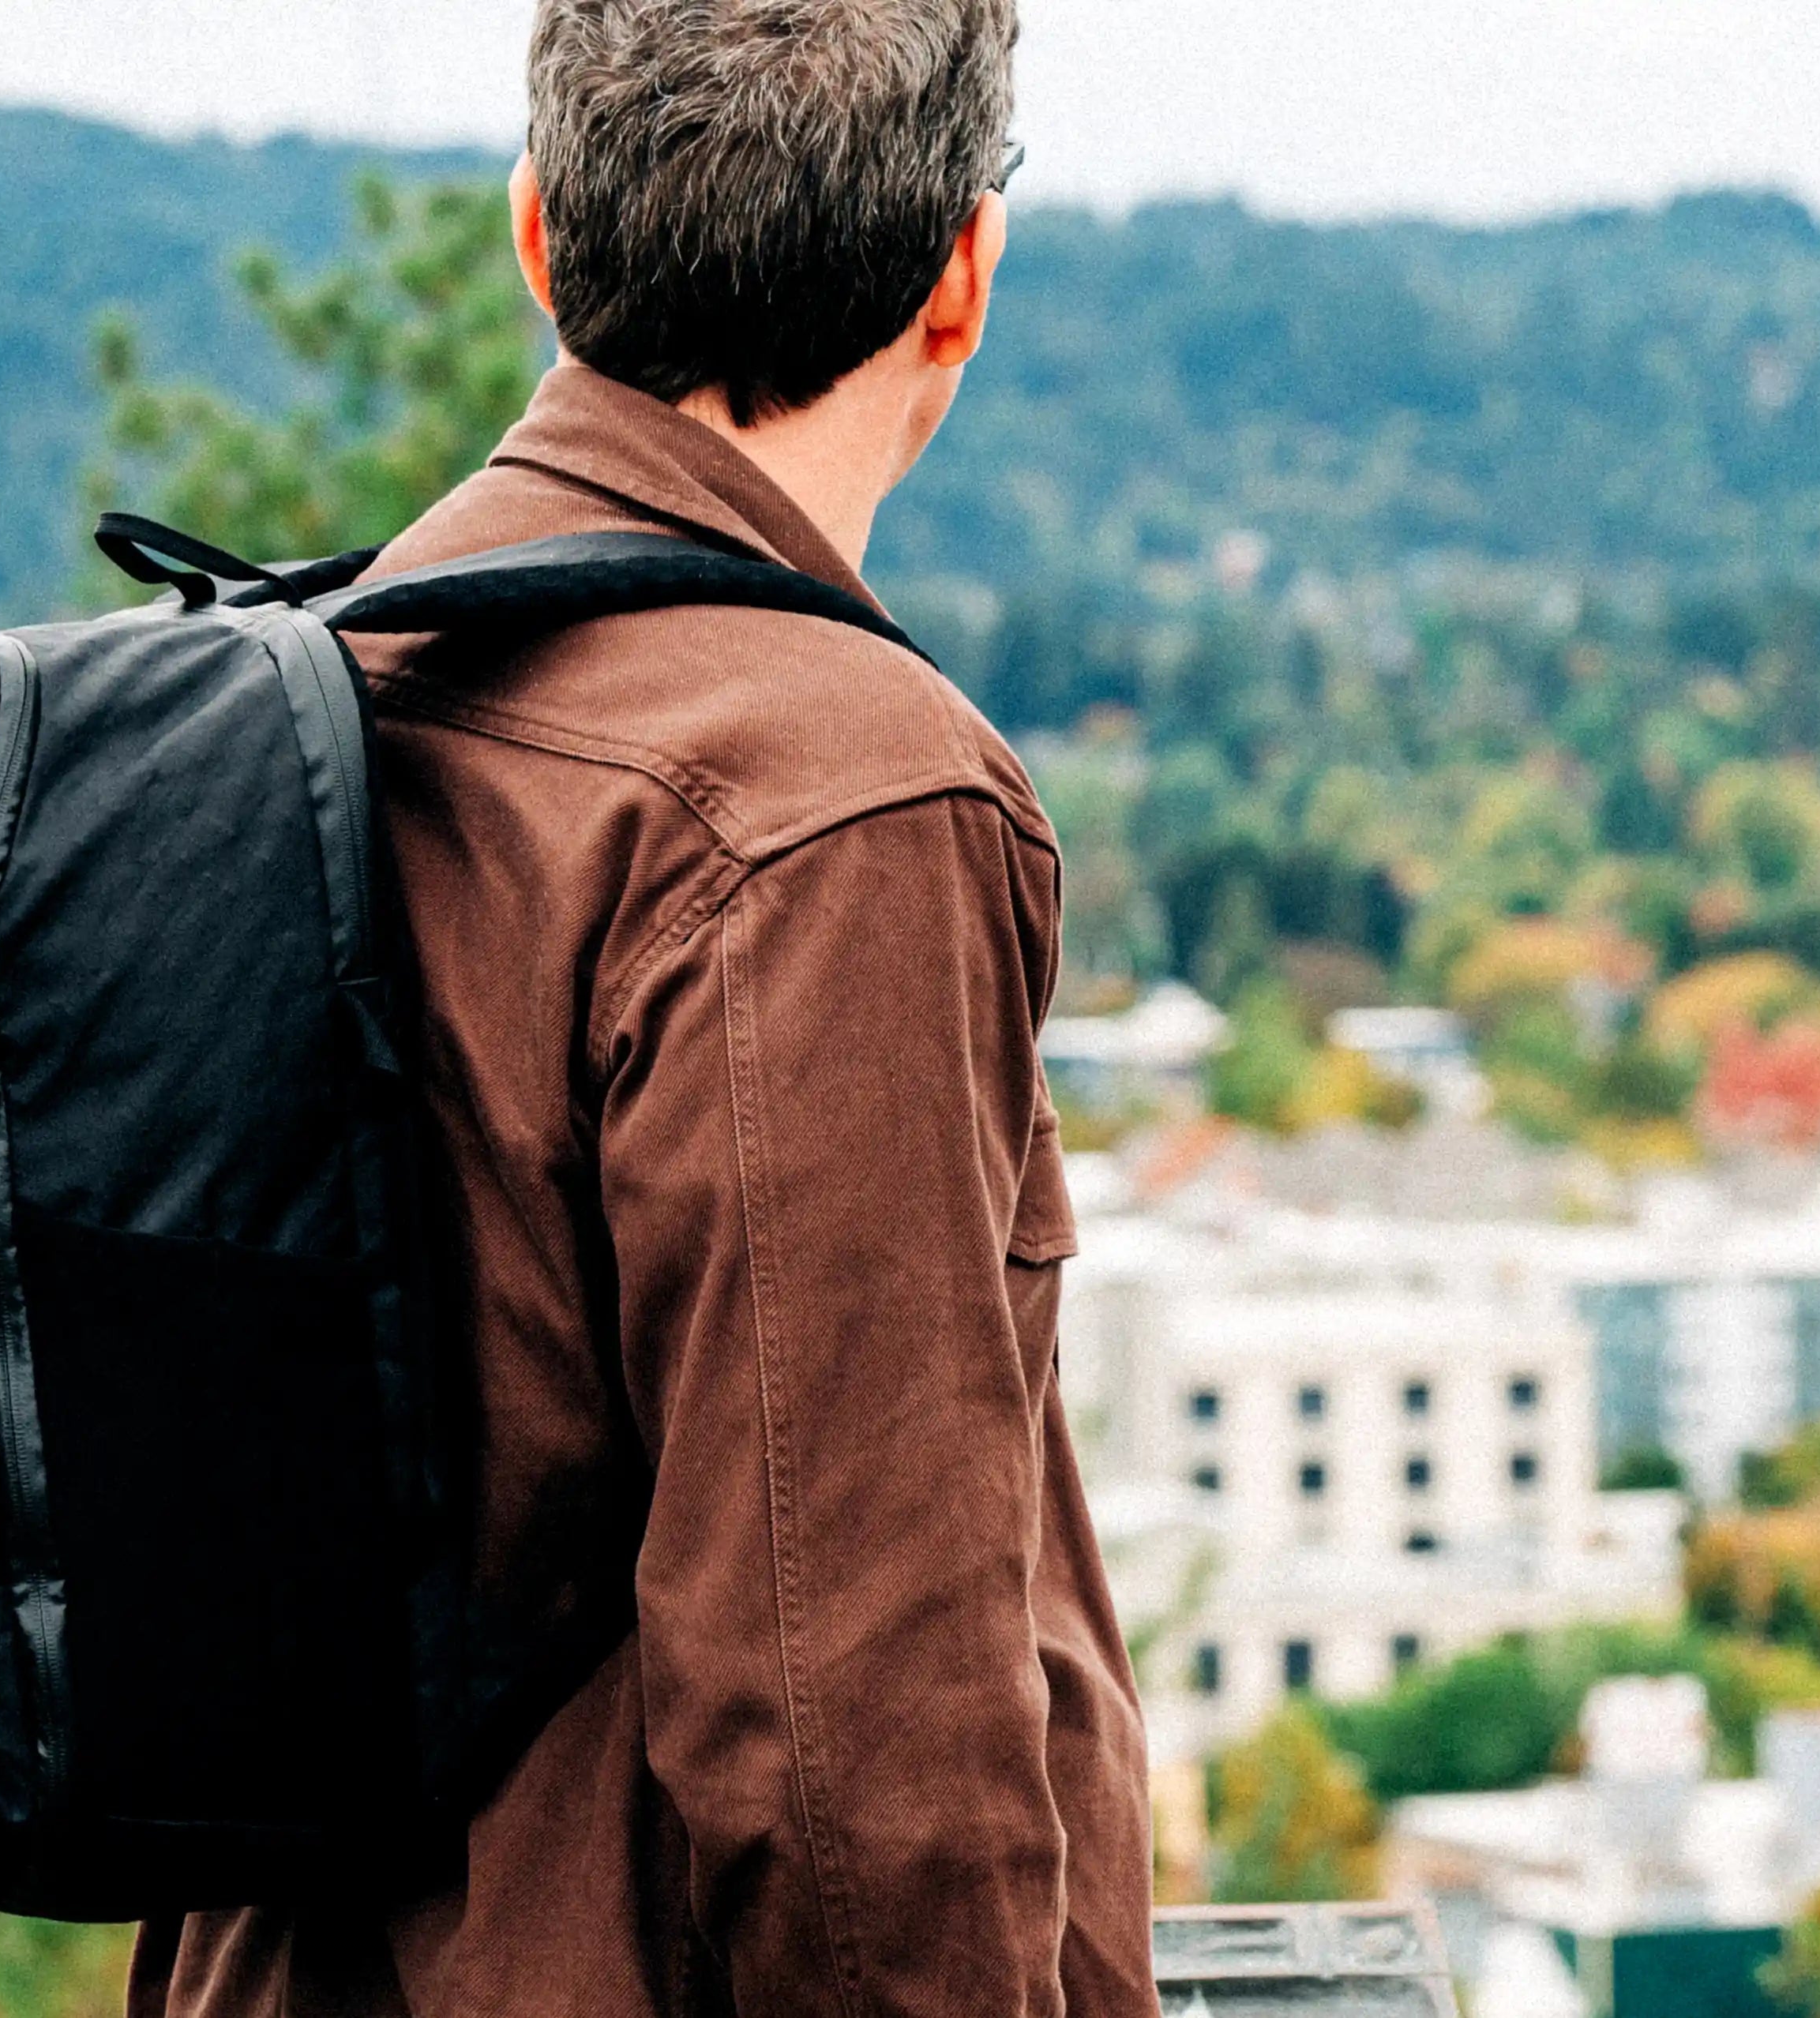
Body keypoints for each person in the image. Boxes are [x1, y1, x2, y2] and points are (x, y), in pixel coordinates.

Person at [129, 2, 1150, 2012]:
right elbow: (860, 1752)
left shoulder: (313, 694)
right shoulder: (835, 801)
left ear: (537, 237)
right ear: (964, 271)